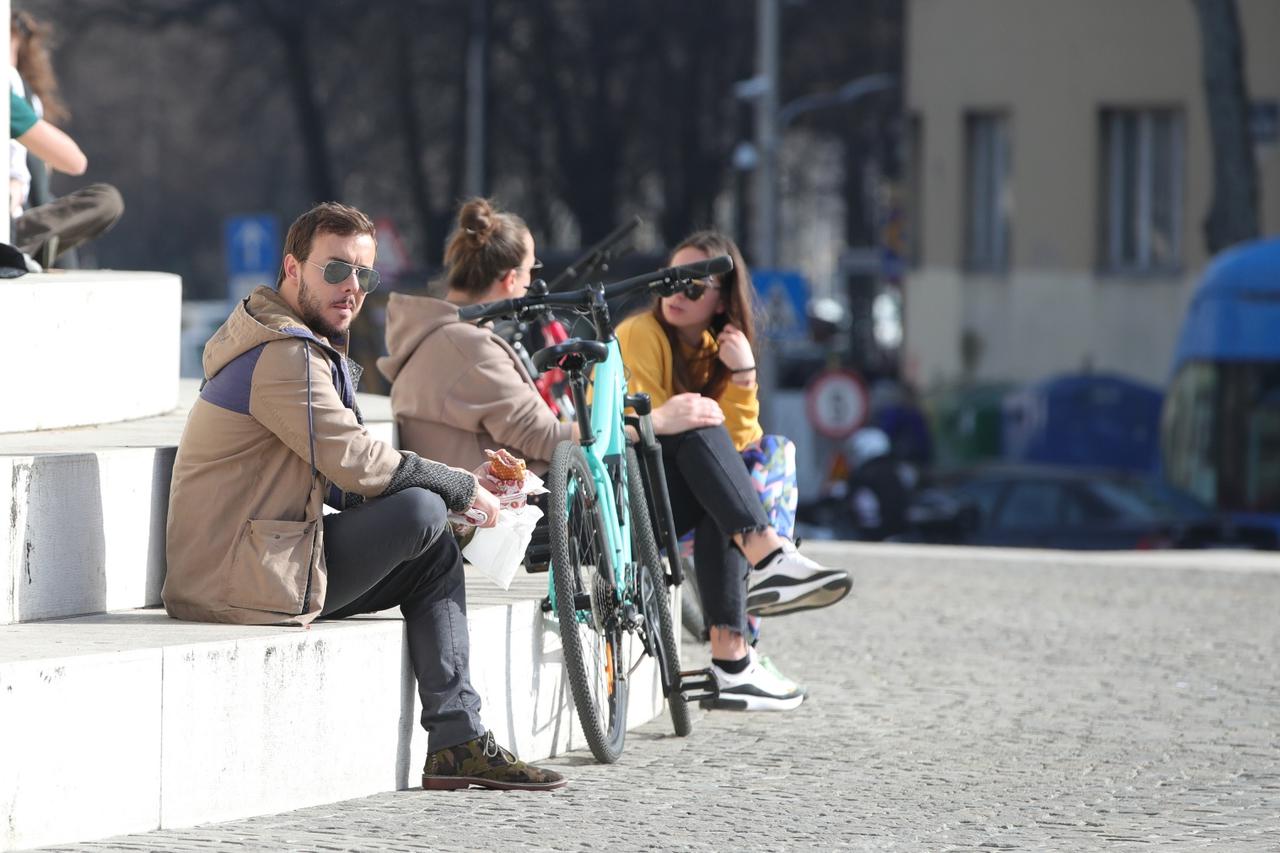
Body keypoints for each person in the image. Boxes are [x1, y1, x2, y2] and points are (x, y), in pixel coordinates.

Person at [163, 202, 565, 792]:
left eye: (363, 275)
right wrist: (456, 485)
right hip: (234, 578)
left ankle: (457, 740)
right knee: (423, 511)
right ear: (292, 268)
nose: (352, 288)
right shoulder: (283, 354)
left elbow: (339, 478)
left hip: (262, 557)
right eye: (335, 270)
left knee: (432, 545)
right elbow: (354, 460)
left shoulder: (298, 343)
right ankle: (457, 738)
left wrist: (459, 502)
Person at [615, 229, 853, 707]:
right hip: (631, 497)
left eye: (693, 286)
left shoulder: (713, 348)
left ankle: (732, 663)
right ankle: (771, 554)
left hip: (677, 499)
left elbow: (740, 448)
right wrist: (681, 415)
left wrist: (743, 375)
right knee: (700, 421)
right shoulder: (639, 332)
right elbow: (638, 424)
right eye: (668, 280)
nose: (675, 295)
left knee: (722, 494)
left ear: (721, 301)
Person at [377, 197, 573, 473]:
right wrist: (633, 430)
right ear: (511, 279)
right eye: (532, 269)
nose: (532, 283)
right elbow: (546, 439)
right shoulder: (468, 348)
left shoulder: (440, 336)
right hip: (499, 510)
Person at [8, 11, 122, 267]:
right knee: (106, 200)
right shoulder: (9, 97)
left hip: (19, 216)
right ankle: (22, 246)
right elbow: (73, 161)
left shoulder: (22, 96)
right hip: (13, 226)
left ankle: (28, 246)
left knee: (103, 200)